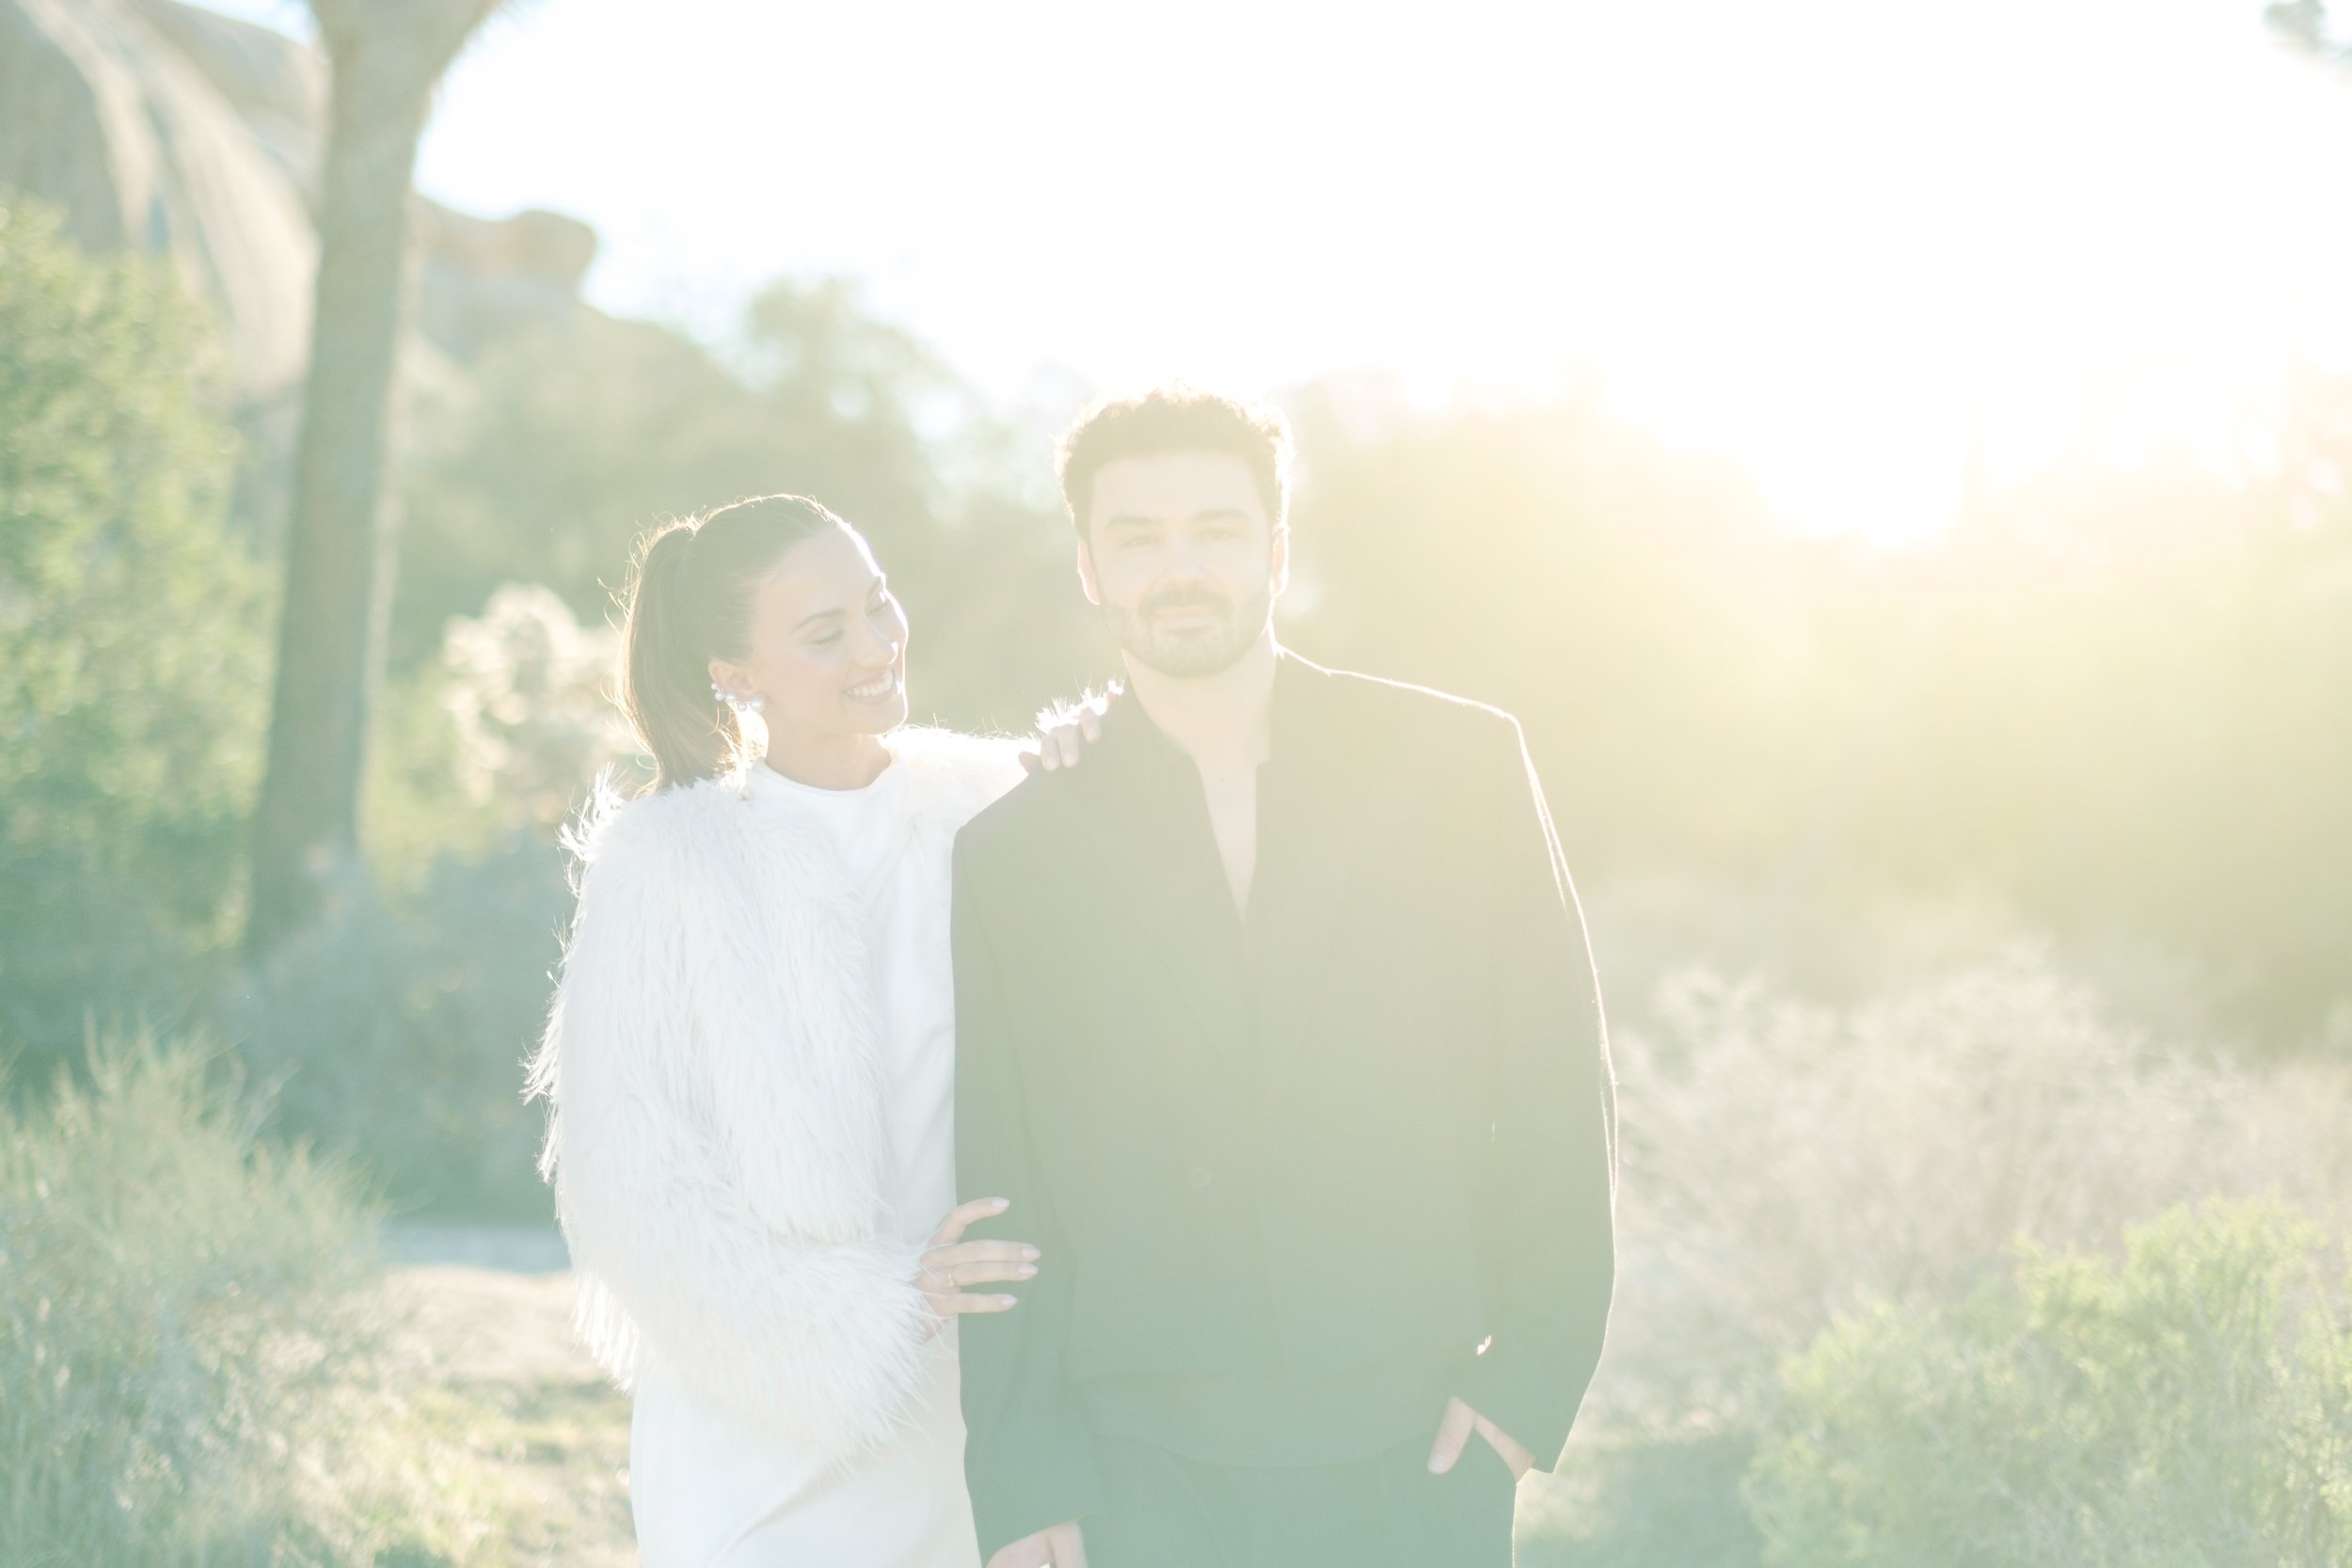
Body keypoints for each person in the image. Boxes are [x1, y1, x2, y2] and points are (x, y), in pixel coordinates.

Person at [952, 388, 1618, 1568]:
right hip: (1133, 1465)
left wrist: (1529, 1380)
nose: (1179, 568)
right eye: (1137, 537)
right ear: (1090, 567)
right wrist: (1021, 1473)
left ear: (1276, 548)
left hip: (1417, 1438)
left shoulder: (1457, 765)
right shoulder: (1014, 848)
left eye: (1214, 529)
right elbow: (1008, 1176)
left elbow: (1558, 1082)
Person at [526, 493, 1101, 1568]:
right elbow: (632, 1189)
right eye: (825, 633)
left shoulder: (989, 801)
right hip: (761, 1428)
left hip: (965, 1421)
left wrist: (1096, 757)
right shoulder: (666, 863)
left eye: (878, 604)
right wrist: (884, 1305)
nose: (876, 646)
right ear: (734, 673)